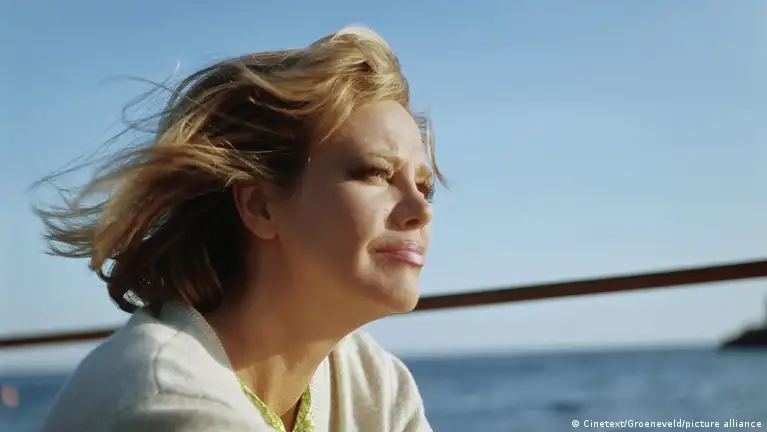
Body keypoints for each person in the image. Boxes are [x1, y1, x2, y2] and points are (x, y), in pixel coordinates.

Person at [36, 25, 443, 432]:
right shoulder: (168, 402)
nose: (420, 210)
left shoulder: (376, 385)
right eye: (376, 173)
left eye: (425, 188)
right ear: (259, 206)